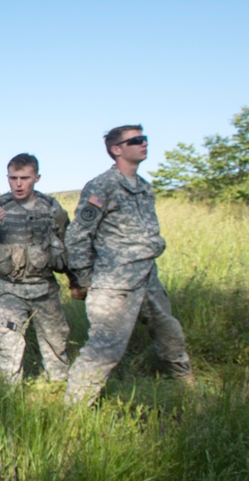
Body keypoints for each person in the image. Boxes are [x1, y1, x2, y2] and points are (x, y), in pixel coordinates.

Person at [64, 125, 194, 406]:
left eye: (144, 138)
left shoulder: (144, 187)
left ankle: (183, 380)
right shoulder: (102, 186)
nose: (143, 144)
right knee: (104, 348)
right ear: (116, 149)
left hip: (147, 276)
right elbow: (77, 235)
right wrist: (83, 279)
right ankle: (72, 409)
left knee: (168, 330)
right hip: (115, 283)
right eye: (135, 140)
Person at [0, 153, 75, 384]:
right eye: (13, 178)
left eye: (25, 178)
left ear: (37, 178)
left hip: (44, 290)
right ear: (7, 178)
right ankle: (9, 404)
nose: (18, 184)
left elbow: (69, 245)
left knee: (57, 347)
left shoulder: (51, 208)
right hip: (7, 291)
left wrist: (76, 280)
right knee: (7, 350)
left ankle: (59, 393)